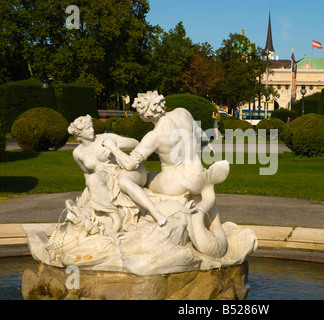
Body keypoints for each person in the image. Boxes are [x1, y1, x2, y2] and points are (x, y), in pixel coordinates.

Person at [102, 91, 229, 258]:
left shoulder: (154, 136)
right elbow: (200, 133)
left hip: (175, 183)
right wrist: (207, 145)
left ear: (144, 115)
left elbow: (130, 164)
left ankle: (150, 211)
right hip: (197, 172)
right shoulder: (183, 112)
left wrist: (113, 147)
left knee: (147, 178)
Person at [68, 115, 168, 232]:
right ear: (79, 134)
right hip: (105, 176)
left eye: (91, 127)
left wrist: (114, 147)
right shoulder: (77, 153)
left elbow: (134, 142)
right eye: (87, 128)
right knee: (92, 180)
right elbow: (87, 173)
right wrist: (89, 192)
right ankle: (115, 217)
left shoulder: (104, 138)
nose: (92, 130)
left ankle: (155, 212)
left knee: (123, 181)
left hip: (126, 170)